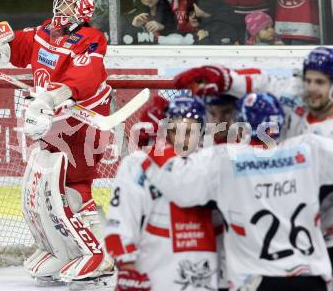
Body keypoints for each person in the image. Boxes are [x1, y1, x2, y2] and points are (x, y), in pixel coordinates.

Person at [0, 0, 114, 288]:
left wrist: (49, 100)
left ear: (82, 10)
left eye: (66, 5)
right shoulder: (46, 31)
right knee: (44, 189)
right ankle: (62, 250)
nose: (59, 9)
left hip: (82, 124)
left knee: (74, 188)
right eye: (59, 3)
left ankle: (101, 254)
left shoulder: (91, 39)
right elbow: (18, 47)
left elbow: (86, 77)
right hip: (54, 122)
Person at [143, 92, 333, 290]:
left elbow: (179, 184)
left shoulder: (226, 159)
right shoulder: (308, 149)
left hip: (257, 280)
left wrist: (158, 139)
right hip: (311, 279)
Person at [171, 46, 333, 274]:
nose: (311, 89)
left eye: (320, 82)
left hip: (320, 234)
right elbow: (260, 82)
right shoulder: (295, 93)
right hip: (281, 233)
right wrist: (222, 78)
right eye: (308, 81)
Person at [105, 94, 219, 291]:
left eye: (190, 131)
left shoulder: (211, 166)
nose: (182, 139)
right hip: (153, 275)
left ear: (201, 132)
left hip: (203, 278)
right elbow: (120, 221)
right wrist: (127, 268)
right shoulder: (138, 164)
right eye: (175, 130)